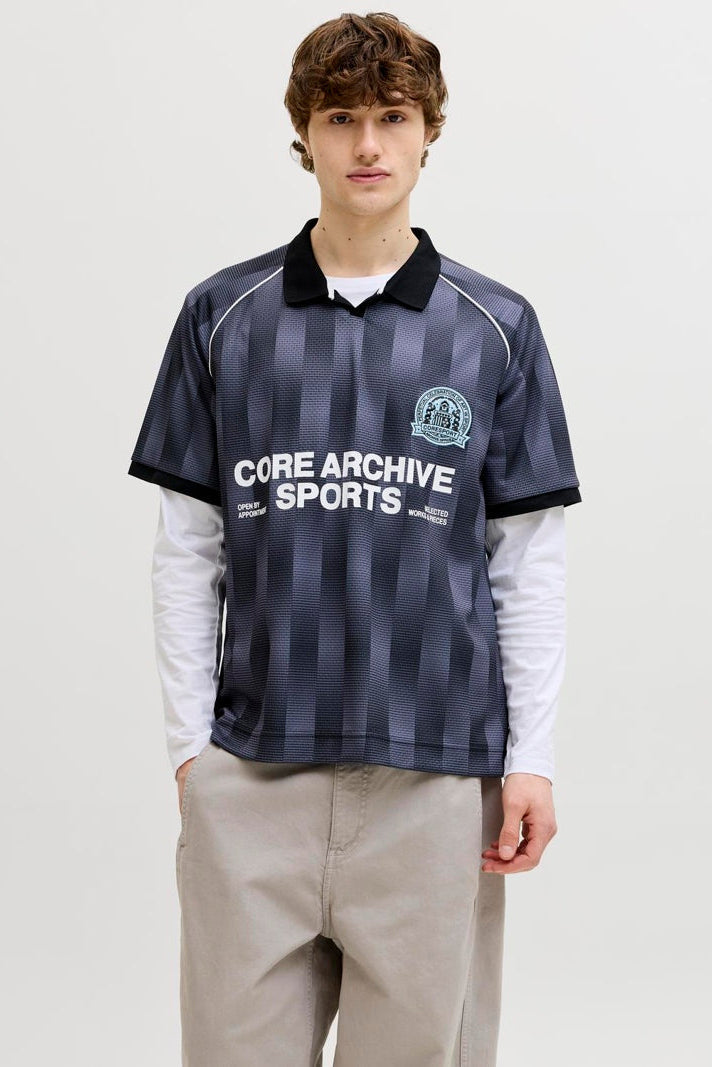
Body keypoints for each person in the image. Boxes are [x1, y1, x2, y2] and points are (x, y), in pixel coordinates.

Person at [127, 11, 582, 1065]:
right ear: (305, 132)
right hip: (255, 771)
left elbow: (526, 561)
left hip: (435, 779)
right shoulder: (223, 315)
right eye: (341, 118)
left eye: (393, 116)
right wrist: (193, 752)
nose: (368, 144)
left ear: (428, 131)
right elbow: (188, 547)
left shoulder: (495, 326)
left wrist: (531, 760)